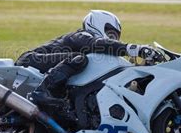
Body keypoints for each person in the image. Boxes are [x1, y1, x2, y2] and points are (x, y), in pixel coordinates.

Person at [15, 10, 161, 108]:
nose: (112, 40)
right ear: (98, 24)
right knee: (79, 58)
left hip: (41, 65)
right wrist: (133, 48)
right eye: (111, 35)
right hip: (31, 60)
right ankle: (42, 91)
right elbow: (97, 44)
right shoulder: (81, 35)